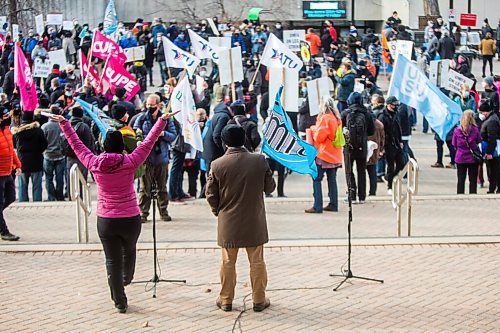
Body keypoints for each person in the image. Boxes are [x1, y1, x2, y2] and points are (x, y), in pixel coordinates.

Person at [52, 107, 177, 313]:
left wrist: (65, 124)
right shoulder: (130, 161)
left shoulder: (94, 163)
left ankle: (119, 300)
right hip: (130, 217)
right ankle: (126, 279)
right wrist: (161, 121)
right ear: (121, 147)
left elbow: (77, 145)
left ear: (103, 146)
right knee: (129, 251)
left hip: (106, 219)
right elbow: (148, 142)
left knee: (111, 259)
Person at [206, 124, 275, 313]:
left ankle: (226, 299)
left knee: (228, 262)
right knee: (257, 261)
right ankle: (259, 299)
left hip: (228, 220)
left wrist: (217, 211)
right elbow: (270, 188)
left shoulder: (217, 164)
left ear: (225, 142)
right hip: (254, 219)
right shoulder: (259, 160)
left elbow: (211, 195)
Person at [134, 94, 176, 222]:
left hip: (161, 158)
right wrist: (148, 136)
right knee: (144, 188)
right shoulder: (141, 119)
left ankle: (163, 211)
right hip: (146, 159)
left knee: (162, 188)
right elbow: (136, 132)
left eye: (152, 105)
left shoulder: (166, 119)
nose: (150, 107)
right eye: (148, 105)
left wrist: (163, 133)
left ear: (158, 105)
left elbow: (173, 135)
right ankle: (143, 213)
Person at [305, 97, 343, 213]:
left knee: (316, 179)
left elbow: (319, 137)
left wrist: (312, 129)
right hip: (334, 154)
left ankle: (317, 206)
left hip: (323, 154)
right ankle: (333, 204)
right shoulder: (337, 118)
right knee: (332, 180)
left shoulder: (324, 119)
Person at [341, 92, 375, 203]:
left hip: (348, 146)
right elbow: (371, 131)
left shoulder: (345, 114)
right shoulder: (367, 114)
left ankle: (352, 195)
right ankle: (362, 196)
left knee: (349, 171)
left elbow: (340, 130)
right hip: (362, 146)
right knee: (361, 171)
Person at [12, 112, 48, 202]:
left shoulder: (17, 132)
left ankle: (23, 202)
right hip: (36, 160)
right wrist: (39, 151)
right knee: (37, 184)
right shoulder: (38, 130)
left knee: (22, 185)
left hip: (22, 161)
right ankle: (37, 202)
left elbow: (13, 145)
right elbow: (44, 144)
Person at [0, 107, 21, 241]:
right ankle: (4, 231)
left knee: (11, 197)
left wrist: (17, 165)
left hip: (8, 171)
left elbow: (11, 150)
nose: (8, 117)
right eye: (5, 115)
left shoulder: (7, 130)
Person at [377, 96, 405, 194]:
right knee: (390, 165)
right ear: (388, 105)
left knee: (402, 163)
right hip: (388, 145)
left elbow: (398, 128)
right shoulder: (382, 116)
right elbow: (380, 133)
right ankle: (390, 186)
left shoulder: (396, 114)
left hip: (396, 143)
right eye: (394, 104)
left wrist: (400, 141)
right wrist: (382, 147)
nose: (396, 106)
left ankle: (389, 177)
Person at [452, 110, 481, 194]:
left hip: (460, 157)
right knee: (473, 179)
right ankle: (472, 194)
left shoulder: (457, 130)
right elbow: (479, 140)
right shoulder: (475, 130)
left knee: (461, 179)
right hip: (472, 158)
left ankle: (460, 195)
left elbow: (454, 143)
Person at [41, 106, 65, 201]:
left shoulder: (45, 127)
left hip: (48, 155)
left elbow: (42, 141)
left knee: (48, 178)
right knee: (60, 178)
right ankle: (60, 196)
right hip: (60, 155)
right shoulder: (62, 126)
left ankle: (51, 197)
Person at [478, 100, 500, 193]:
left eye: (482, 112)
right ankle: (494, 188)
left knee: (493, 170)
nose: (481, 114)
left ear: (486, 112)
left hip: (492, 150)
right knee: (493, 170)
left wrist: (489, 152)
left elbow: (492, 138)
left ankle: (492, 189)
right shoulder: (490, 118)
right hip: (491, 148)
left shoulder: (492, 121)